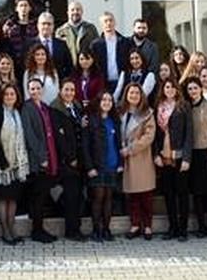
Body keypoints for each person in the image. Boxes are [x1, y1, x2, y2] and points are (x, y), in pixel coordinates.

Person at [19, 78, 61, 243]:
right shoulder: (27, 108)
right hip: (37, 160)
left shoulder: (45, 107)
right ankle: (37, 231)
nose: (35, 91)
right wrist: (42, 157)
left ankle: (40, 228)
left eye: (38, 88)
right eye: (32, 89)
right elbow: (29, 135)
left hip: (50, 156)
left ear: (42, 90)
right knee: (38, 197)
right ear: (28, 91)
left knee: (43, 196)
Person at [0, 84, 30, 245]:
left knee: (12, 197)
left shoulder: (17, 112)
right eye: (6, 94)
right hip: (2, 162)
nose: (9, 97)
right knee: (2, 197)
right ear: (2, 96)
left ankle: (12, 229)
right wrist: (2, 161)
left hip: (17, 163)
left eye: (12, 94)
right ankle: (5, 231)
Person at [153, 78, 192, 241]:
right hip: (164, 156)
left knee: (182, 193)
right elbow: (155, 134)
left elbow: (189, 133)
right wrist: (156, 154)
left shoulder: (184, 106)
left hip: (179, 155)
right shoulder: (158, 107)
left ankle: (183, 229)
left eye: (172, 87)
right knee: (168, 194)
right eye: (167, 87)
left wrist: (187, 158)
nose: (169, 89)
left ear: (177, 89)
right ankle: (173, 227)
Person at [183, 77, 207, 238]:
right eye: (190, 89)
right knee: (197, 192)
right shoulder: (186, 108)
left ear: (200, 88)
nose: (192, 91)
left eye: (195, 88)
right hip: (193, 153)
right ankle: (201, 226)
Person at [81, 92, 122, 242]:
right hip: (97, 166)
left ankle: (106, 229)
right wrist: (89, 167)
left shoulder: (115, 120)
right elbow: (85, 146)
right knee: (98, 198)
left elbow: (118, 143)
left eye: (110, 100)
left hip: (112, 165)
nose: (107, 102)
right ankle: (96, 230)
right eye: (103, 99)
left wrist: (120, 163)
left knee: (109, 198)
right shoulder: (90, 120)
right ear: (98, 102)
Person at [50, 79, 87, 241]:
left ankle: (76, 228)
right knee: (71, 196)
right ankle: (71, 231)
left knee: (78, 195)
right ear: (60, 91)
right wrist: (70, 158)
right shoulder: (55, 109)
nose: (70, 93)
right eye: (66, 89)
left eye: (72, 90)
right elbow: (60, 138)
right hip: (67, 160)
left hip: (80, 158)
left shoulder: (77, 107)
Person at [119, 82, 156, 240]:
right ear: (126, 95)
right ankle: (135, 225)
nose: (133, 95)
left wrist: (131, 149)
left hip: (141, 157)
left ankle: (147, 226)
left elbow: (149, 136)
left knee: (145, 195)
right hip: (125, 159)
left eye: (136, 93)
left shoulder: (147, 113)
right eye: (131, 93)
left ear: (141, 96)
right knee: (132, 195)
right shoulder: (120, 112)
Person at [90, 12, 131, 92]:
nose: (108, 23)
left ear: (115, 23)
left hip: (123, 81)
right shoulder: (95, 45)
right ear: (101, 24)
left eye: (111, 20)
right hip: (103, 83)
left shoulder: (125, 42)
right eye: (105, 21)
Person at [34, 12, 73, 79]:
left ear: (53, 26)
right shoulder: (29, 44)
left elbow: (69, 66)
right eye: (43, 23)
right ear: (38, 25)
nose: (46, 26)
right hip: (35, 82)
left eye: (49, 24)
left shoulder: (62, 45)